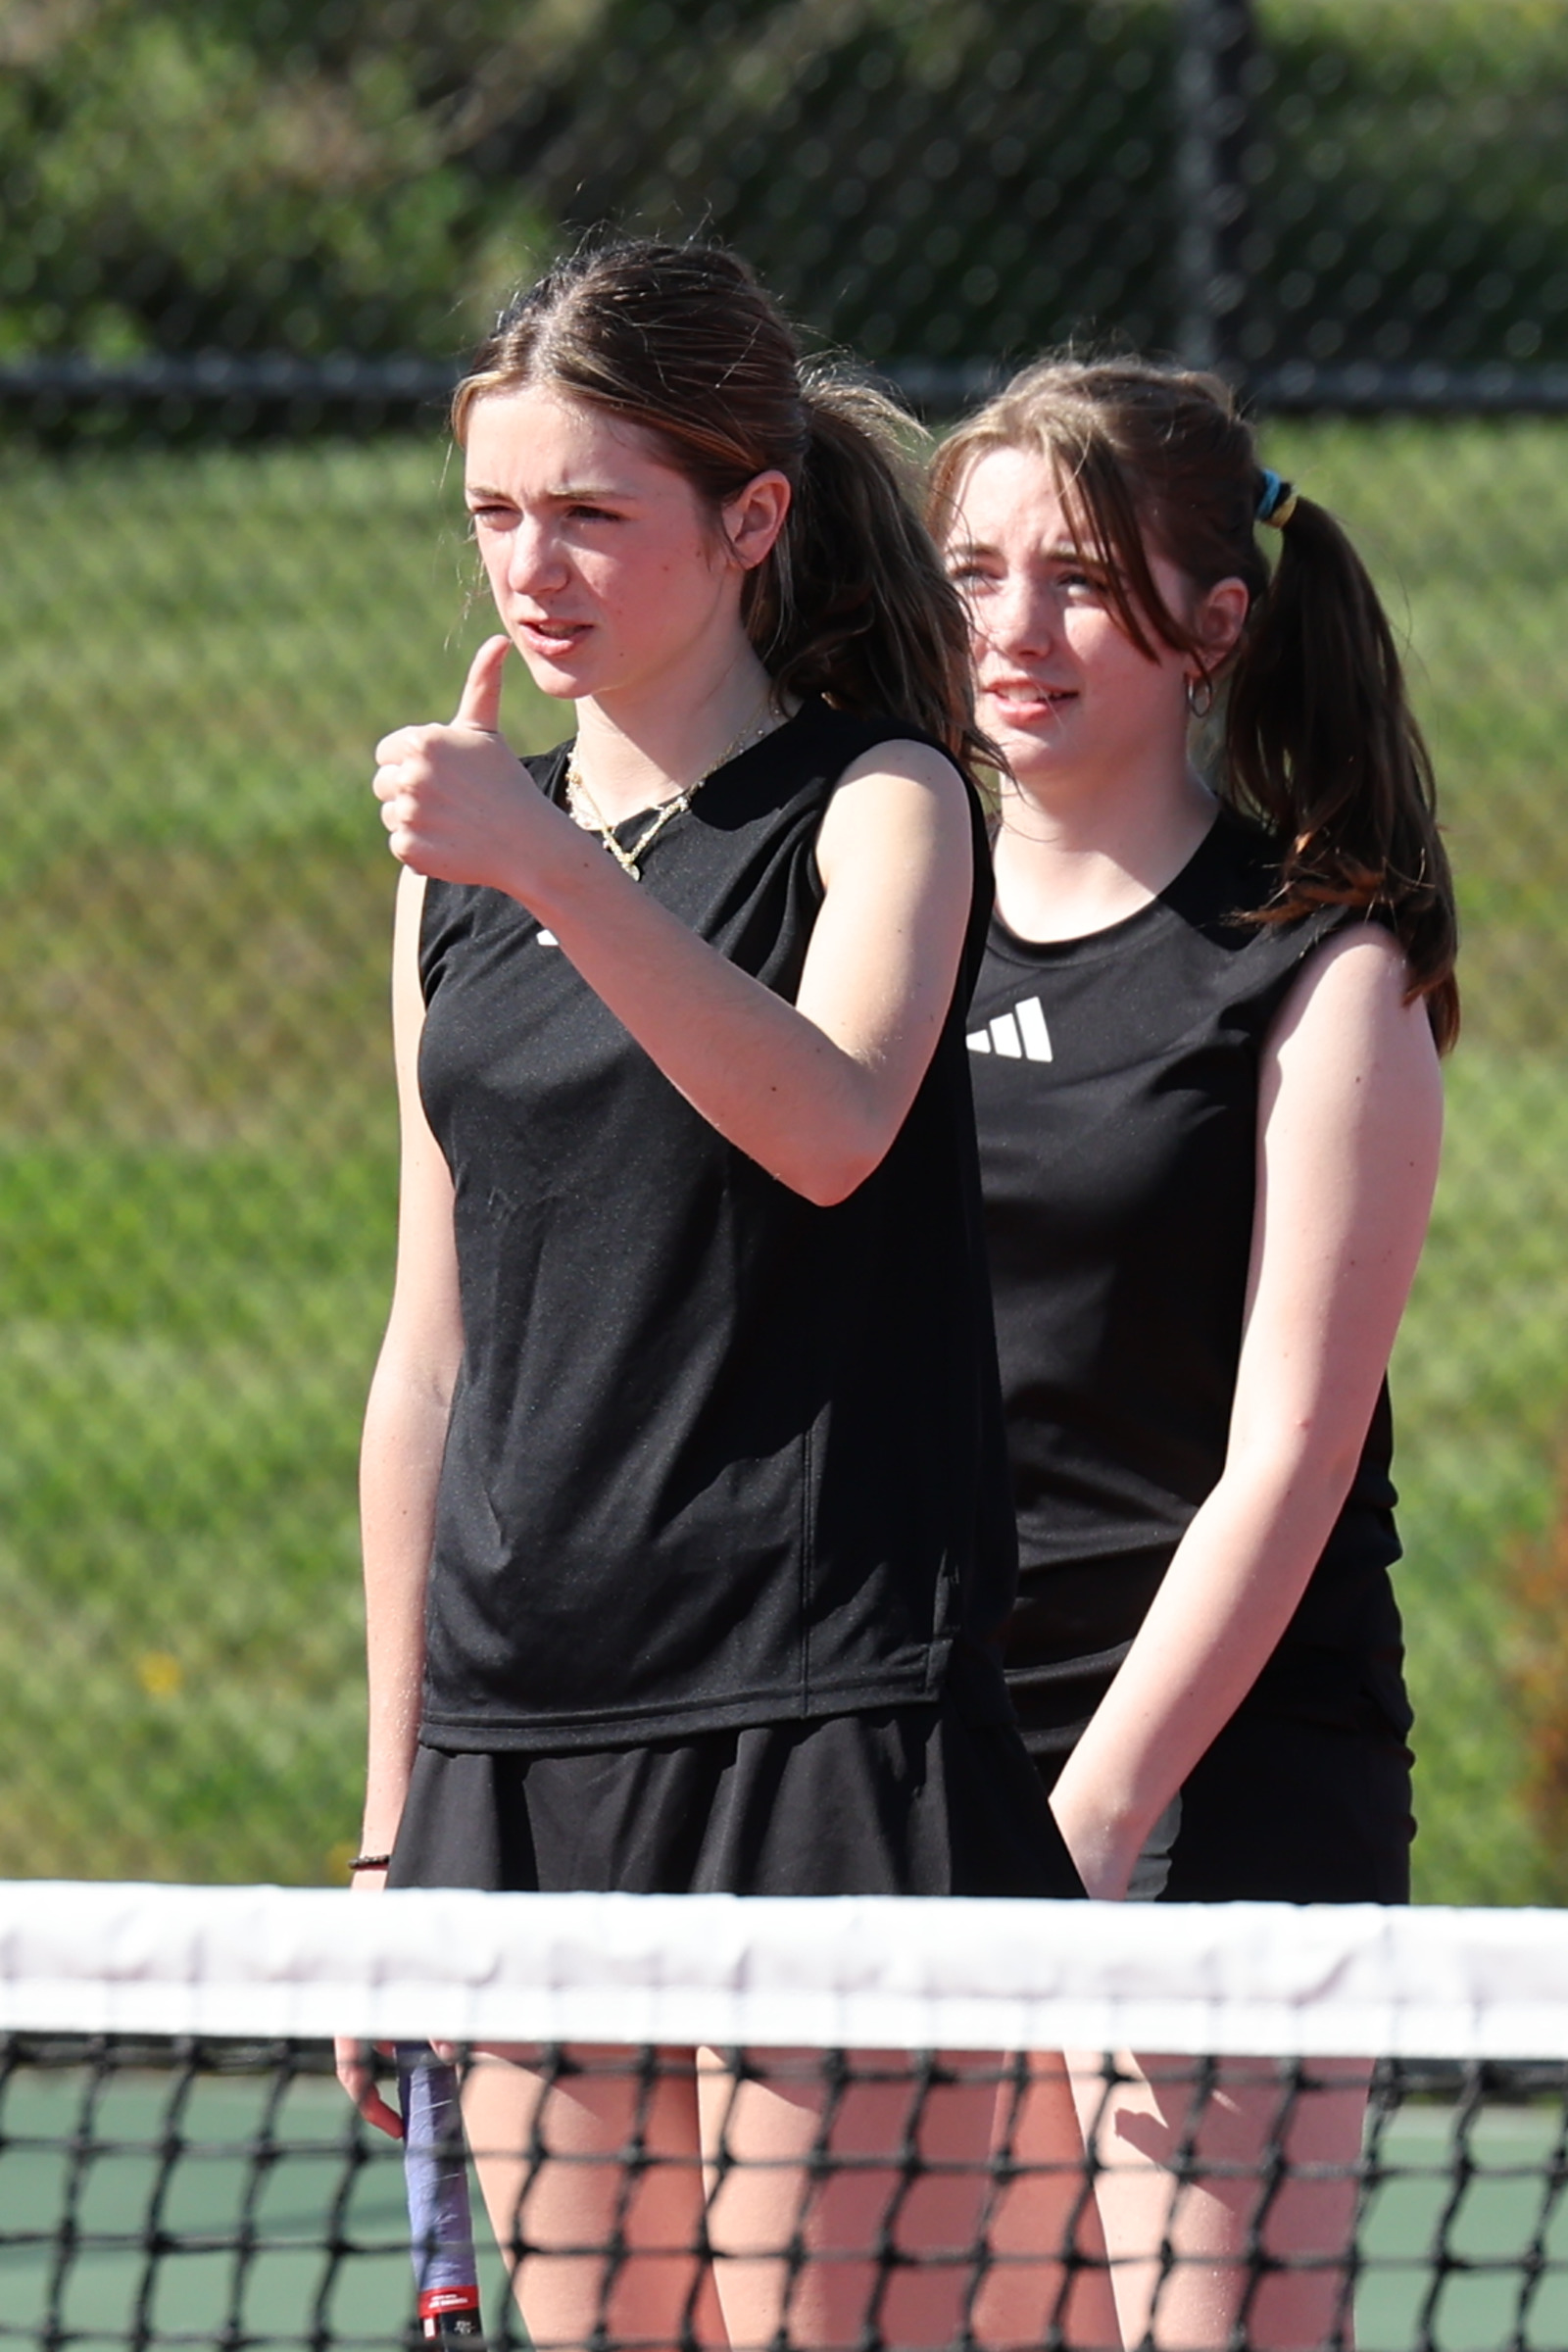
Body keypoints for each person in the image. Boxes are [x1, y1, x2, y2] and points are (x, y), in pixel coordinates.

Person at [333, 242, 1087, 2352]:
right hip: (522, 1737)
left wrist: (552, 868)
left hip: (816, 1709)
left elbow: (826, 1121)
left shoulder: (884, 804)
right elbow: (429, 1354)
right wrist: (394, 1826)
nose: (531, 568)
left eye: (591, 512)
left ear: (750, 518)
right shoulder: (464, 878)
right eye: (496, 512)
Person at [931, 358, 1456, 2349]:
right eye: (973, 573)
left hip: (1219, 1791)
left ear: (1211, 627)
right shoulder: (876, 929)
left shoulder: (1320, 972)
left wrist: (1090, 1823)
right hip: (933, 1767)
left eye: (1075, 581)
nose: (1011, 629)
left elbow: (1290, 1459)